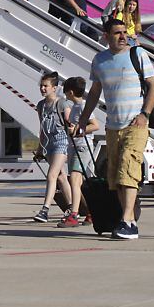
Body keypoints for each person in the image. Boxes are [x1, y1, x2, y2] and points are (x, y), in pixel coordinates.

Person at [76, 17, 154, 240]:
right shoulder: (100, 60)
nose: (123, 36)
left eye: (124, 32)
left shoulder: (137, 54)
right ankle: (129, 221)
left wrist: (145, 114)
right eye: (117, 33)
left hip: (136, 124)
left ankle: (126, 220)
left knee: (128, 169)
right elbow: (95, 92)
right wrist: (83, 119)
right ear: (106, 36)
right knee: (115, 177)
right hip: (113, 126)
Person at [33, 71, 73, 223]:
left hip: (61, 142)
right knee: (62, 177)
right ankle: (71, 207)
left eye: (46, 86)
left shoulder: (62, 103)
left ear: (54, 88)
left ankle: (45, 210)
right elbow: (42, 130)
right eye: (41, 86)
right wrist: (39, 149)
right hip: (49, 144)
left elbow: (70, 124)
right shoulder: (41, 105)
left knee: (52, 175)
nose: (43, 89)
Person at [58, 76, 98, 228]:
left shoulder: (82, 106)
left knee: (74, 179)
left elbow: (95, 125)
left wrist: (77, 130)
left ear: (71, 92)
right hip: (76, 146)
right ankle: (90, 212)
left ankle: (74, 214)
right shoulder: (76, 106)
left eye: (66, 92)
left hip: (82, 147)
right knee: (81, 182)